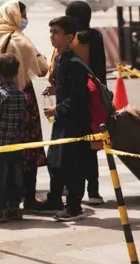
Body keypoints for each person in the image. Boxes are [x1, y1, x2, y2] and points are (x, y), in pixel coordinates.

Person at [0, 0, 49, 209]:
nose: (24, 20)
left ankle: (1, 200)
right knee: (27, 148)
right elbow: (43, 69)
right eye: (23, 15)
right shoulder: (21, 40)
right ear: (15, 16)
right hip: (21, 98)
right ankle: (28, 197)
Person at [35, 16, 92, 222]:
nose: (51, 37)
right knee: (56, 162)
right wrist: (55, 89)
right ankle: (55, 200)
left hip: (74, 123)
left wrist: (57, 109)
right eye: (50, 32)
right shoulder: (60, 59)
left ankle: (74, 207)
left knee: (72, 165)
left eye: (56, 32)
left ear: (69, 37)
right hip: (62, 121)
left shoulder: (74, 63)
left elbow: (78, 98)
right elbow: (67, 89)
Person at [67, 0, 107, 205]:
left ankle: (72, 190)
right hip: (95, 95)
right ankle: (94, 192)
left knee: (72, 146)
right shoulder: (96, 36)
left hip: (75, 97)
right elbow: (101, 68)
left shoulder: (71, 39)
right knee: (91, 146)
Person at [0, 53, 28, 222]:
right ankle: (14, 208)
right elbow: (22, 122)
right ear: (17, 72)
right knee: (14, 178)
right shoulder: (21, 95)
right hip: (15, 144)